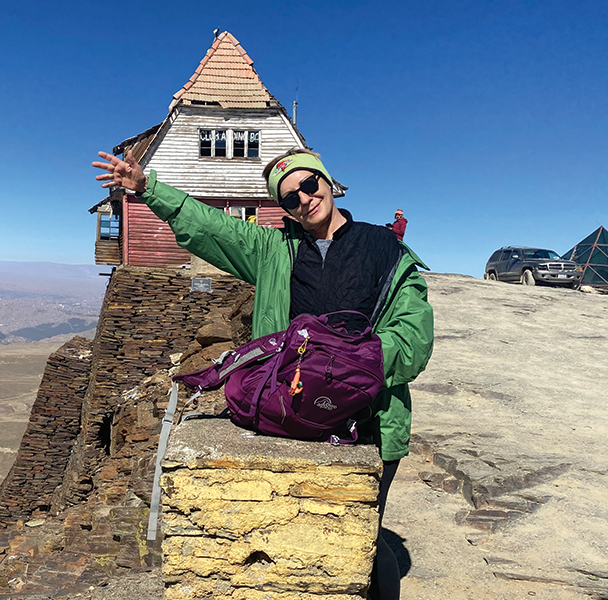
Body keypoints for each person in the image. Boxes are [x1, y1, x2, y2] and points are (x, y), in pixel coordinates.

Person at [92, 148, 434, 600]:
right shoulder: (274, 249)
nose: (304, 199)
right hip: (290, 413)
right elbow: (211, 226)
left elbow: (413, 338)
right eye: (290, 198)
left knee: (366, 540)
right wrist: (147, 187)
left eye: (309, 185)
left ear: (327, 181)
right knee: (299, 540)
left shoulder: (384, 248)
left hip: (369, 418)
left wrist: (341, 366)